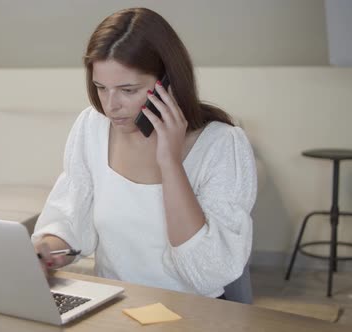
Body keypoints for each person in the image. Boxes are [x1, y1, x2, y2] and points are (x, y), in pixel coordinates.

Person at [31, 7, 257, 299]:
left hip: (193, 313)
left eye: (128, 90)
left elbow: (208, 271)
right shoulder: (92, 126)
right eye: (101, 88)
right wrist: (49, 248)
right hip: (113, 306)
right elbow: (72, 215)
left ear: (167, 82)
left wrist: (170, 162)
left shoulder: (222, 145)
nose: (111, 106)